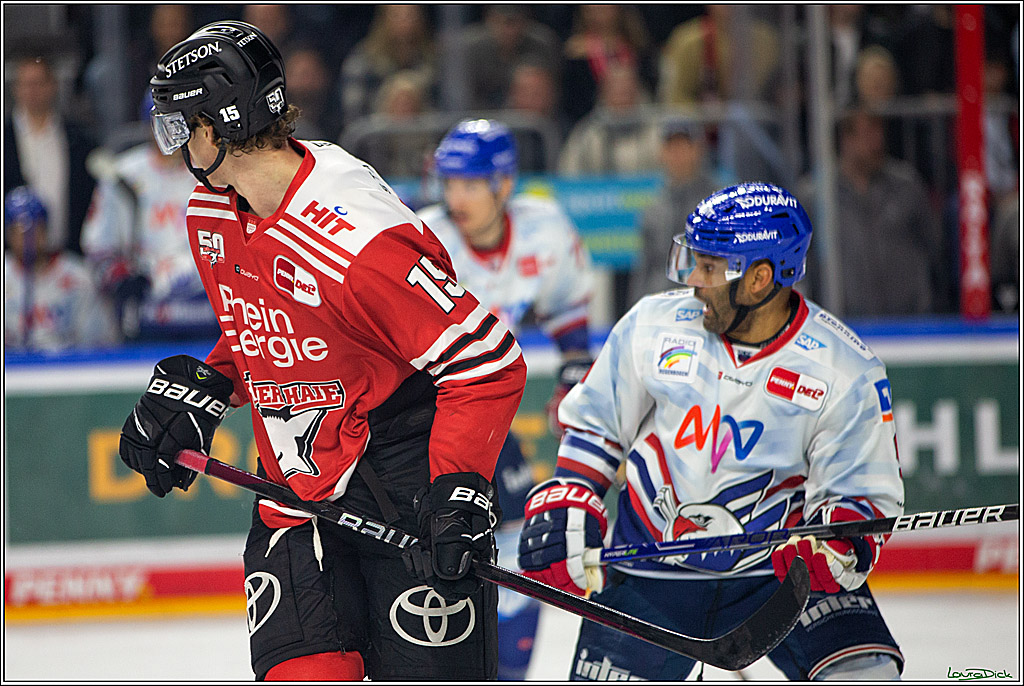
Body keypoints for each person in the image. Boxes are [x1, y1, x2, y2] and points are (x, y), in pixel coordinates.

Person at [118, 21, 526, 681]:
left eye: (178, 126)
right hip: (294, 496)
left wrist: (458, 488)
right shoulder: (215, 213)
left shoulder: (357, 241)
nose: (171, 147)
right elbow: (273, 322)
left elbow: (487, 361)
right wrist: (212, 385)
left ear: (216, 129)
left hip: (403, 492)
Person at [518, 182, 905, 680]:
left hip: (780, 575)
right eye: (692, 262)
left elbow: (860, 491)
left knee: (865, 676)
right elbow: (597, 426)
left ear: (760, 279)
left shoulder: (843, 369)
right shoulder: (652, 326)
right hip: (648, 572)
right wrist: (571, 492)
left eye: (709, 267)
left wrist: (841, 539)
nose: (693, 281)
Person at [417, 119, 595, 679]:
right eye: (449, 183)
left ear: (503, 184)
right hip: (413, 414)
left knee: (517, 536)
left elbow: (568, 310)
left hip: (475, 414)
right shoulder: (426, 239)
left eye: (470, 183)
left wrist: (571, 377)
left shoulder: (544, 229)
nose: (456, 197)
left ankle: (503, 674)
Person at [81, 97, 216, 341]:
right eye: (160, 123)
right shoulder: (122, 175)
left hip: (206, 307)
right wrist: (120, 276)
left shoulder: (212, 170)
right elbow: (98, 246)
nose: (169, 133)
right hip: (144, 310)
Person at [5, 56, 97, 255]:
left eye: (39, 83)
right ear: (16, 88)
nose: (33, 91)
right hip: (12, 263)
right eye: (27, 84)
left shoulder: (79, 140)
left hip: (68, 257)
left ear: (53, 85)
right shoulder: (5, 139)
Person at [4, 186, 115, 351]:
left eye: (34, 229)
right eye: (18, 231)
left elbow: (96, 342)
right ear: (8, 234)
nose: (27, 238)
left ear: (46, 230)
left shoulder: (78, 276)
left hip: (68, 369)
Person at [628, 119, 723, 304]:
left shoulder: (719, 203)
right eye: (671, 148)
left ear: (698, 149)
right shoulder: (653, 209)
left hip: (707, 302)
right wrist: (635, 310)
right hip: (662, 304)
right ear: (662, 154)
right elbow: (643, 269)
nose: (677, 155)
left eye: (683, 146)